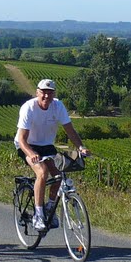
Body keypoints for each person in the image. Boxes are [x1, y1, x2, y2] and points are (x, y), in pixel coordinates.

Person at [15, 79, 90, 232]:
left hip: (47, 145)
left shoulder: (58, 106)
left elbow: (70, 131)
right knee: (42, 172)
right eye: (43, 92)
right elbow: (22, 139)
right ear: (37, 92)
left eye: (50, 93)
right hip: (27, 145)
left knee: (58, 175)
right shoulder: (28, 108)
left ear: (54, 94)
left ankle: (50, 206)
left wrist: (81, 147)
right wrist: (31, 154)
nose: (46, 96)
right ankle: (38, 214)